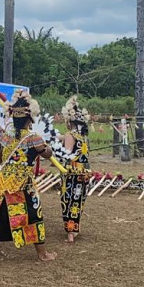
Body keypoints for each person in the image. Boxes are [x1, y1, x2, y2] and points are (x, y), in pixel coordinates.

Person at [0, 90, 57, 263]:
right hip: (23, 184)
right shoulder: (33, 138)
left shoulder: (6, 136)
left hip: (3, 181)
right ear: (30, 119)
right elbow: (47, 154)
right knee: (33, 214)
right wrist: (47, 148)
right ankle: (43, 254)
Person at [58, 95, 91, 243]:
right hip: (83, 172)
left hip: (71, 173)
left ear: (69, 121)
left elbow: (66, 153)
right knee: (78, 201)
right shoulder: (82, 137)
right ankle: (75, 228)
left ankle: (70, 232)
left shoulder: (70, 135)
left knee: (68, 200)